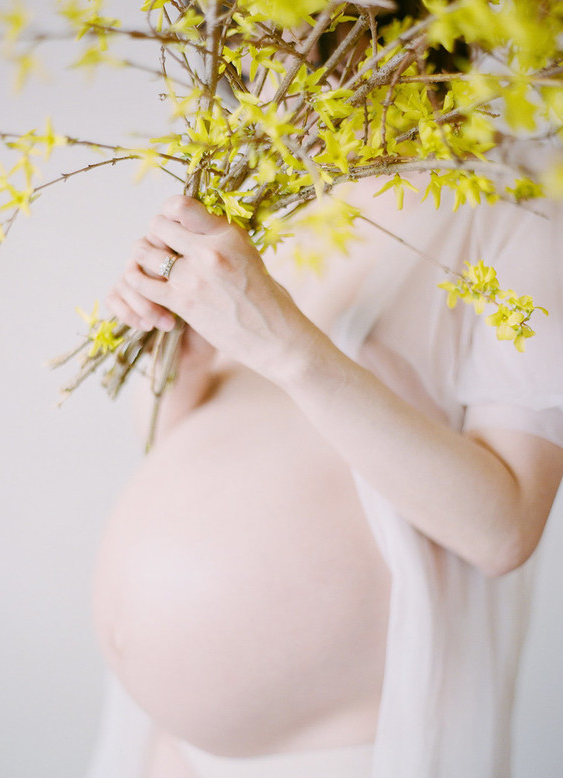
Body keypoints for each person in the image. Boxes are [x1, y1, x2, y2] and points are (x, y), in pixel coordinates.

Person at [83, 167, 563, 778]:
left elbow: (504, 532)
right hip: (165, 746)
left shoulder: (522, 213)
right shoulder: (280, 179)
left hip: (327, 754)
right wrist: (182, 360)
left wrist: (283, 340)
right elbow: (172, 444)